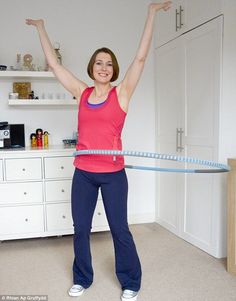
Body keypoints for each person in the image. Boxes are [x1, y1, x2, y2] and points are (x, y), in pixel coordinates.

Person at [26, 2, 171, 300]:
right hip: (84, 174)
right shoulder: (82, 92)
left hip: (113, 174)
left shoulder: (123, 93)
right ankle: (82, 277)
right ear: (91, 68)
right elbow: (54, 66)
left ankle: (130, 281)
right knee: (80, 229)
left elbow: (141, 58)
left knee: (119, 229)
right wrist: (41, 28)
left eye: (108, 63)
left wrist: (151, 13)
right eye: (98, 63)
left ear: (113, 69)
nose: (103, 68)